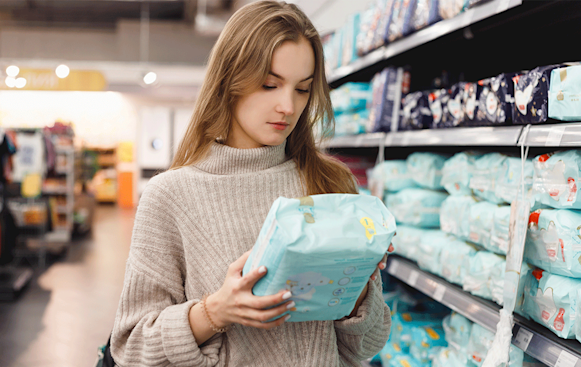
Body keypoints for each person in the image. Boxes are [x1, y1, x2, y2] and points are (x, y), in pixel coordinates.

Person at [110, 1, 392, 366]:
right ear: (229, 80)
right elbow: (131, 347)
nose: (288, 106)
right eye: (269, 84)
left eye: (303, 89)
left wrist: (355, 291)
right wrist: (215, 312)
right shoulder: (170, 197)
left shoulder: (330, 183)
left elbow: (367, 347)